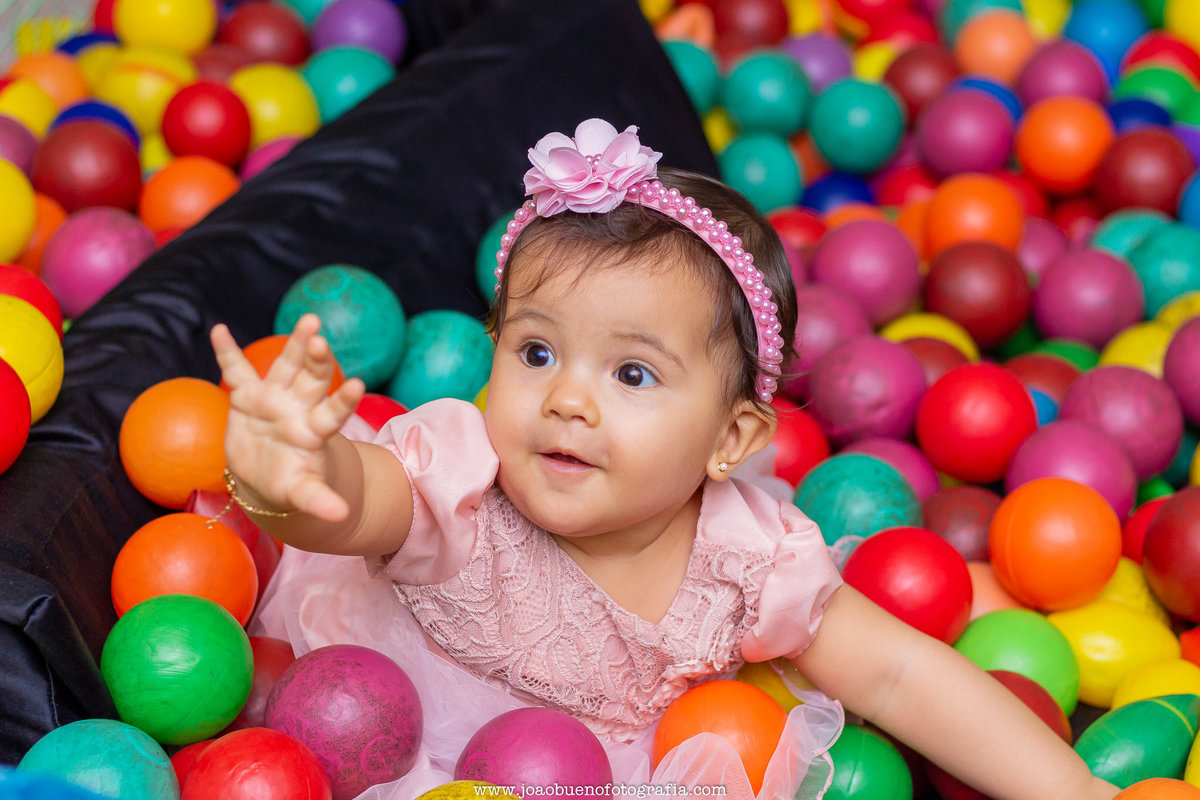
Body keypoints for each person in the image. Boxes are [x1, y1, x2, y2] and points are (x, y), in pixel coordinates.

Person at [211, 119, 1119, 800]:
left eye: (634, 372)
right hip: (391, 744)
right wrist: (290, 470)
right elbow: (354, 501)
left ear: (729, 441)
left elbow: (901, 675)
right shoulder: (462, 474)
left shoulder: (745, 561)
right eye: (535, 353)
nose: (567, 397)